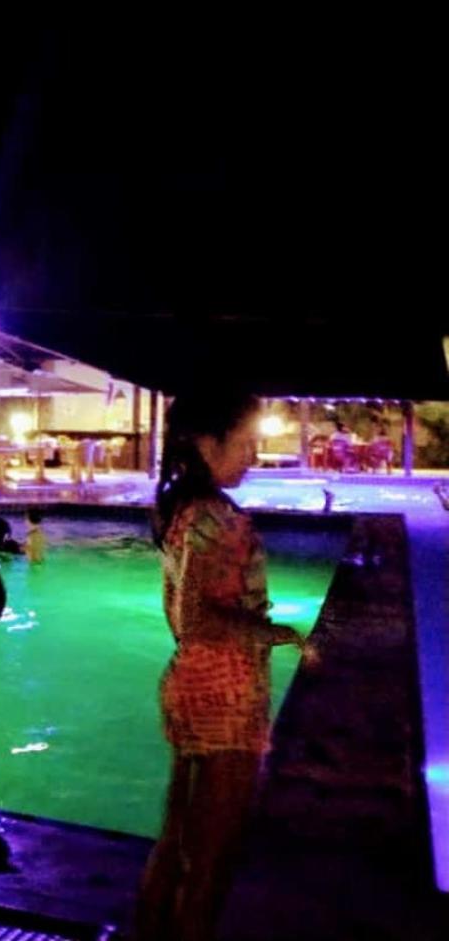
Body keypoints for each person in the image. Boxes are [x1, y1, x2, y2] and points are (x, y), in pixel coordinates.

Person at [136, 387, 318, 941]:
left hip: (191, 683)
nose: (253, 457)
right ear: (205, 443)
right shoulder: (218, 516)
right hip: (227, 697)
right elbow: (196, 618)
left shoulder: (183, 511)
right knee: (213, 857)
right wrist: (282, 634)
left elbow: (181, 618)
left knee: (178, 839)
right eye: (245, 443)